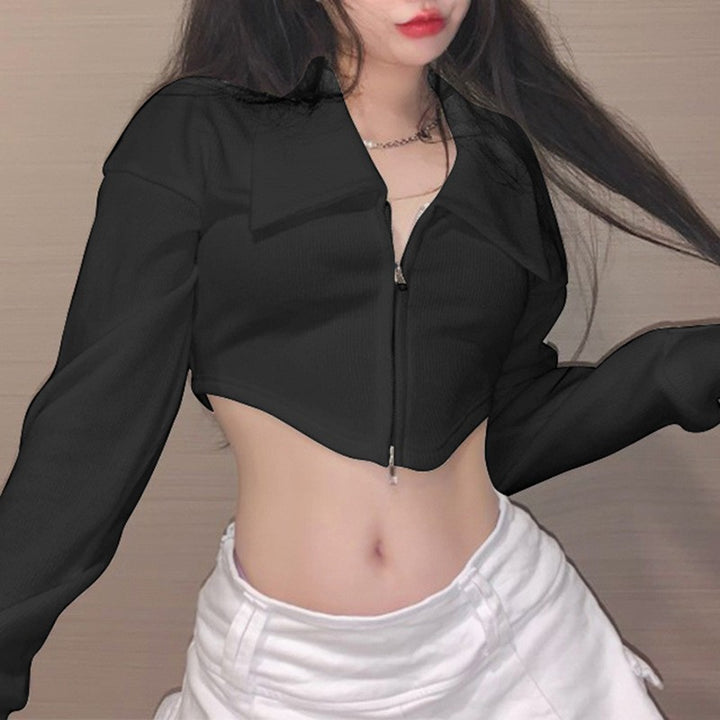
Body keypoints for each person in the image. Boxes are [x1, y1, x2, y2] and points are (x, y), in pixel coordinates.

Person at [1, 0, 719, 718]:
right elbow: (92, 430)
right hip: (289, 671)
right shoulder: (196, 135)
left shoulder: (499, 157)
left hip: (514, 633)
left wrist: (676, 370)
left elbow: (503, 426)